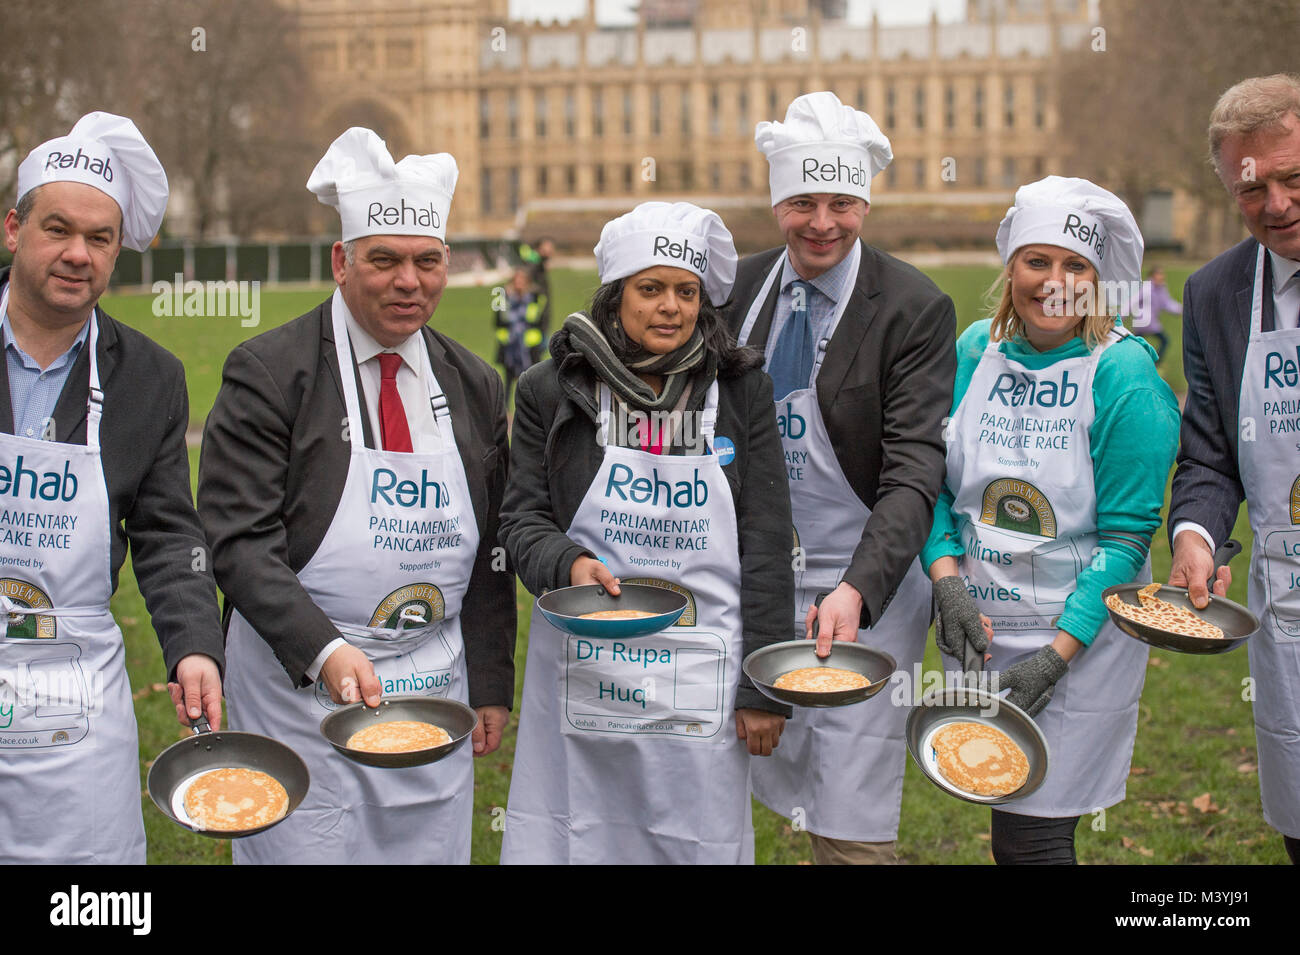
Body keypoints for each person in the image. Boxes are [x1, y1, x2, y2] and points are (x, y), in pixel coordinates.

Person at [198, 127, 515, 864]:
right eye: (385, 261)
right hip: (298, 691)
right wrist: (325, 648)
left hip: (430, 689)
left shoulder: (473, 382)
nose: (410, 281)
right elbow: (239, 542)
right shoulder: (272, 373)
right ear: (342, 262)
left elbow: (490, 553)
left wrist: (492, 681)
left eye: (427, 261)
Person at [499, 201, 793, 864]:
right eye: (650, 289)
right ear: (615, 298)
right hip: (585, 671)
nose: (669, 307)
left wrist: (763, 685)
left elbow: (768, 541)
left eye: (685, 292)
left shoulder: (740, 391)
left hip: (704, 676)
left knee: (695, 839)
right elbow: (522, 517)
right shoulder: (554, 388)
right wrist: (568, 563)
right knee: (582, 835)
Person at [726, 91, 956, 865]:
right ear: (776, 203)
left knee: (850, 799)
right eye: (801, 202)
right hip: (750, 576)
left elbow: (914, 468)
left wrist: (857, 588)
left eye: (841, 203)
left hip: (866, 580)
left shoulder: (912, 307)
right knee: (717, 768)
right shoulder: (733, 290)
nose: (821, 222)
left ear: (865, 201)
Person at [923, 176, 1179, 864]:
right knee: (1012, 818)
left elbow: (1127, 539)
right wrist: (946, 579)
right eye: (1038, 261)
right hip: (981, 626)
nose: (1054, 282)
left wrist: (1057, 655)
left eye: (1076, 266)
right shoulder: (975, 350)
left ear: (1099, 281)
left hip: (1080, 639)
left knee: (1036, 834)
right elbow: (931, 485)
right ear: (1011, 267)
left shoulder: (1124, 374)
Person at [0, 112, 224, 863]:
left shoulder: (149, 377)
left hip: (74, 694)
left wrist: (195, 646)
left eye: (100, 239)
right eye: (58, 228)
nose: (77, 253)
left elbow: (167, 533)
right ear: (13, 229)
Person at [1167, 73, 1300, 865]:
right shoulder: (1215, 293)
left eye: (1295, 179)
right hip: (1289, 604)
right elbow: (1211, 452)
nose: (1277, 205)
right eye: (1254, 190)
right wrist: (1195, 537)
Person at [494, 265, 545, 402]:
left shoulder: (535, 297)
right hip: (510, 344)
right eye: (516, 280)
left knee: (533, 380)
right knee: (508, 380)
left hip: (530, 345)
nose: (519, 284)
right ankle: (505, 411)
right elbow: (498, 320)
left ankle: (535, 407)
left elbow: (535, 318)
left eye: (522, 280)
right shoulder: (502, 296)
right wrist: (506, 297)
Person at [1134, 266, 1181, 363]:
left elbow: (1167, 303)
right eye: (1159, 274)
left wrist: (1180, 310)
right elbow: (1131, 302)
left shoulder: (1161, 288)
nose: (1161, 276)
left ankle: (1149, 362)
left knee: (1138, 344)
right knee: (1163, 341)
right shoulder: (1146, 288)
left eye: (1162, 274)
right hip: (1143, 322)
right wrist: (1121, 317)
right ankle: (1153, 363)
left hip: (1152, 323)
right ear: (1152, 276)